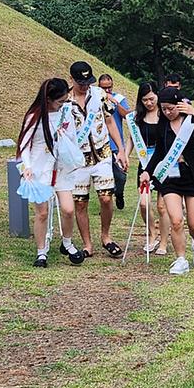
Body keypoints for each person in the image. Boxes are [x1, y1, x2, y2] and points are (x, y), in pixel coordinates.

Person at [139, 88, 194, 275]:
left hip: (192, 176)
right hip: (170, 177)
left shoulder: (191, 120)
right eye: (164, 109)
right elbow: (159, 152)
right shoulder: (163, 125)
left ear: (180, 105)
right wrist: (147, 172)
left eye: (171, 108)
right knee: (176, 220)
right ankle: (181, 259)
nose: (168, 112)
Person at [16, 78, 84, 268]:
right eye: (60, 101)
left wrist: (71, 153)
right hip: (39, 169)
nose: (63, 104)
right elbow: (25, 144)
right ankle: (41, 252)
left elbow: (72, 138)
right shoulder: (34, 116)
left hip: (62, 167)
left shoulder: (66, 114)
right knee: (42, 213)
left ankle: (67, 243)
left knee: (68, 209)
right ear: (48, 99)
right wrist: (27, 166)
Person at [66, 61, 129, 258]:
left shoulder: (100, 95)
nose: (85, 86)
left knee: (106, 197)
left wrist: (120, 150)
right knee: (80, 203)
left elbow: (110, 120)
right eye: (81, 83)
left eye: (88, 82)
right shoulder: (65, 101)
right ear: (72, 80)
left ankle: (106, 236)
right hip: (78, 161)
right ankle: (87, 244)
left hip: (102, 155)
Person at [125, 82, 170, 254]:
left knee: (162, 206)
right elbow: (131, 138)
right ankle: (152, 233)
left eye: (151, 99)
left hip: (164, 164)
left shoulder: (165, 114)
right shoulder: (137, 117)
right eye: (145, 100)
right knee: (144, 204)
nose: (149, 103)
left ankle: (164, 242)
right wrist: (125, 155)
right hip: (145, 164)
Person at [99, 73, 131, 210]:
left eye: (109, 87)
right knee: (104, 178)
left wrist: (115, 103)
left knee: (120, 175)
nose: (107, 90)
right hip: (100, 144)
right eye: (104, 88)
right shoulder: (95, 99)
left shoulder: (119, 98)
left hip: (116, 144)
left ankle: (119, 193)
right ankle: (106, 206)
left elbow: (127, 115)